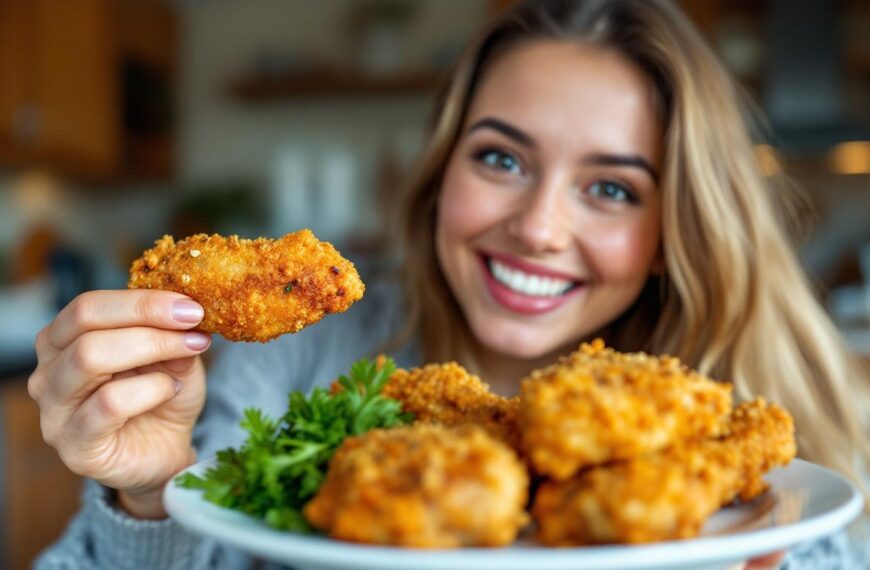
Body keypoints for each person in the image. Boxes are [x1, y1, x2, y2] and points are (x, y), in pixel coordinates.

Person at [28, 1, 869, 568]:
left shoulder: (746, 437)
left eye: (612, 188)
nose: (539, 227)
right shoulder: (294, 363)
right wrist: (145, 496)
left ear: (673, 231)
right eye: (500, 158)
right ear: (440, 175)